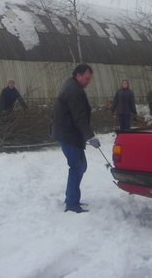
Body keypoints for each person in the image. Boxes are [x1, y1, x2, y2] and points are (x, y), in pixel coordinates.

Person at [50, 63, 100, 213]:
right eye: (86, 79)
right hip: (67, 134)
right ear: (77, 75)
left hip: (69, 133)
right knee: (77, 167)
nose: (88, 82)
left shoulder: (73, 86)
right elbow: (79, 117)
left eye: (90, 79)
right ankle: (71, 204)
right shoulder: (73, 91)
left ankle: (71, 198)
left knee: (81, 166)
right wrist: (90, 136)